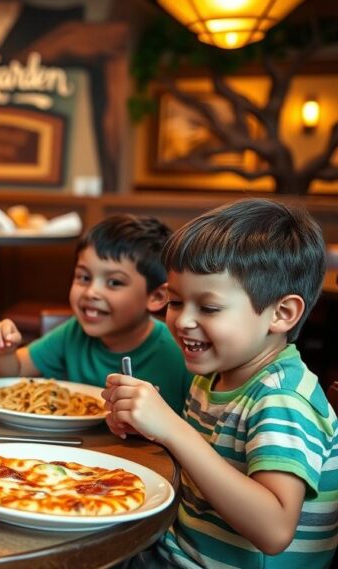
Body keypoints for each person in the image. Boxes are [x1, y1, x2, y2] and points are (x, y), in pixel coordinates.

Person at [105, 199, 337, 568]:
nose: (182, 321)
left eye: (209, 308)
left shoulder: (282, 398)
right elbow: (205, 466)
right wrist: (147, 429)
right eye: (176, 301)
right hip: (170, 548)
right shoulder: (212, 376)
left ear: (281, 313)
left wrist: (173, 430)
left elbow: (275, 529)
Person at [0, 215, 192, 414]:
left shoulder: (179, 351)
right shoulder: (74, 332)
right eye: (84, 277)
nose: (91, 292)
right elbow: (14, 372)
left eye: (114, 282)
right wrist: (3, 351)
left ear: (155, 297)